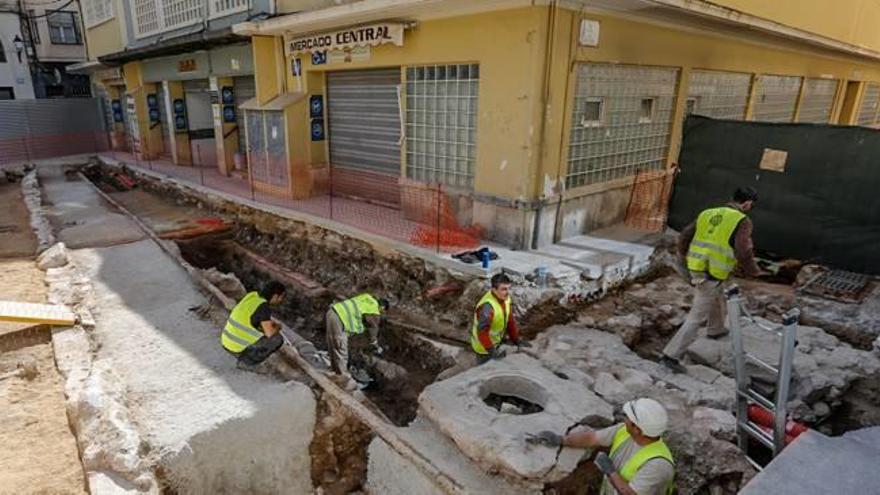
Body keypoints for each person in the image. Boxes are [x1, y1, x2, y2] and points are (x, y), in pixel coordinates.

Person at [660, 186, 762, 373]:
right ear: (747, 203)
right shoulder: (742, 221)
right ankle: (670, 355)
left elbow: (685, 236)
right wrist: (753, 271)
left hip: (698, 267)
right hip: (712, 271)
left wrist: (683, 260)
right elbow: (743, 249)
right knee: (696, 316)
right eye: (751, 205)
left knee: (717, 293)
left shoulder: (707, 213)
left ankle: (715, 328)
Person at [527, 398, 675, 495]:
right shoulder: (624, 431)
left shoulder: (658, 464)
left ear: (638, 429)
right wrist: (560, 440)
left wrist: (610, 470)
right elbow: (592, 438)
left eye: (628, 419)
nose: (624, 419)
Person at [325, 293, 389, 390]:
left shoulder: (365, 297)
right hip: (340, 320)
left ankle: (333, 372)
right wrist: (374, 342)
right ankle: (342, 382)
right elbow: (373, 328)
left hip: (332, 312)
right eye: (383, 311)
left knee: (334, 347)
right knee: (342, 351)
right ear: (382, 307)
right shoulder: (374, 309)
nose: (381, 313)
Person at [222, 280, 287, 371]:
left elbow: (252, 317)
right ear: (275, 296)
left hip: (226, 342)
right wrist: (278, 327)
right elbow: (270, 333)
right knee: (277, 339)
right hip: (236, 348)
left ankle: (244, 355)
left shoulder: (252, 296)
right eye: (281, 297)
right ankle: (247, 363)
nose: (281, 300)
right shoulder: (264, 307)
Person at [470, 272, 530, 362]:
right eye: (504, 289)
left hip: (496, 343)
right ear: (494, 290)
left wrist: (516, 339)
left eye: (509, 288)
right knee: (486, 371)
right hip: (484, 349)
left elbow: (509, 320)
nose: (508, 292)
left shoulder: (505, 298)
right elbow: (482, 333)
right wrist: (492, 351)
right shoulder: (487, 308)